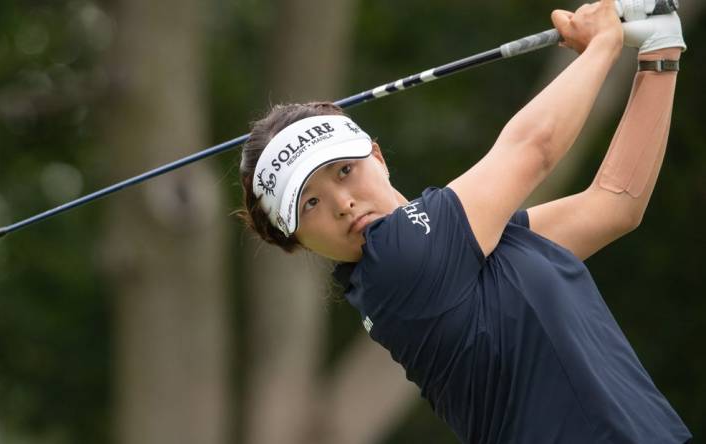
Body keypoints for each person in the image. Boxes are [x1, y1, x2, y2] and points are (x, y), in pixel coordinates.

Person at [238, 0, 692, 442]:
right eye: (310, 204)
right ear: (296, 239)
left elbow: (613, 205)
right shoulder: (400, 261)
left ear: (376, 155)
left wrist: (659, 52)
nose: (343, 203)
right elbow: (533, 148)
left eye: (344, 171)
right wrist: (604, 43)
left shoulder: (461, 253)